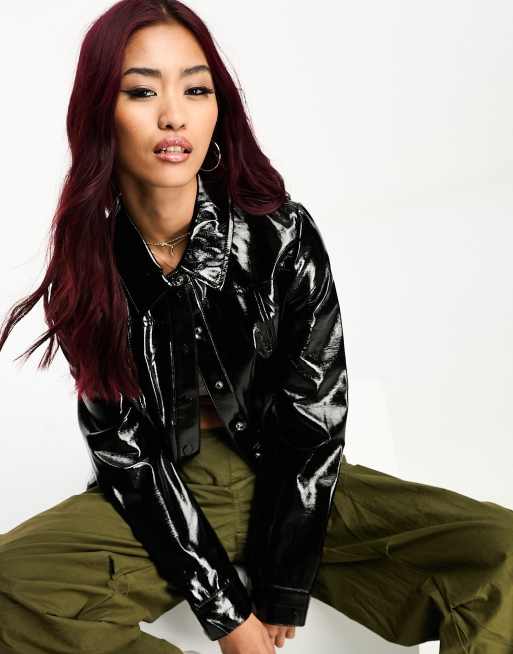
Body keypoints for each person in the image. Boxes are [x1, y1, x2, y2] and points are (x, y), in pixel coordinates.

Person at [1, 2, 513, 653]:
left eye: (195, 90)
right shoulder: (88, 267)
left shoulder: (280, 235)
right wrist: (226, 615)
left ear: (219, 109)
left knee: (502, 551)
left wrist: (281, 585)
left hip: (293, 480)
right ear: (102, 111)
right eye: (142, 91)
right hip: (169, 496)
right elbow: (128, 455)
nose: (173, 115)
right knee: (7, 587)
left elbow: (314, 411)